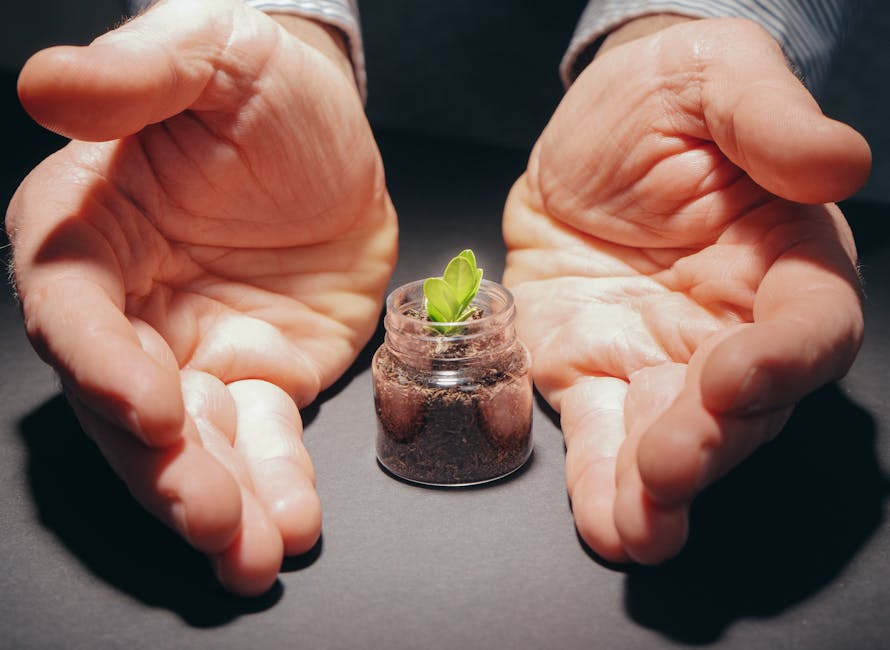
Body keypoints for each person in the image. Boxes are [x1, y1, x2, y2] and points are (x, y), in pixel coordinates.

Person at [6, 0, 870, 595]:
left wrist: (691, 25)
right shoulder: (405, 356)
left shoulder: (496, 351)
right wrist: (271, 26)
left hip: (619, 156)